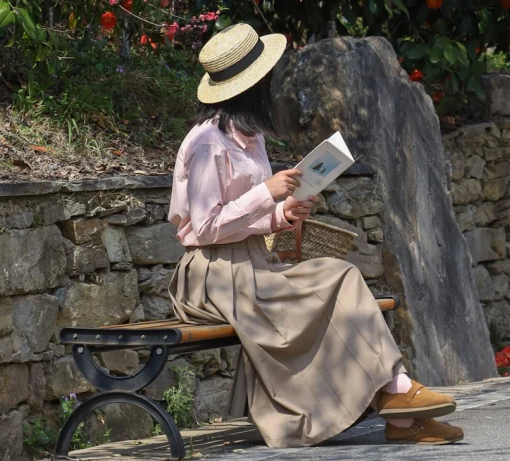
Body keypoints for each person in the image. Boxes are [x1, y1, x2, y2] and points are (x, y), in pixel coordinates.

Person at [167, 22, 464, 446]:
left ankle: (399, 404)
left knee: (339, 276)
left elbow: (248, 219)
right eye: (265, 81)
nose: (271, 87)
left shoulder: (249, 138)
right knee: (330, 285)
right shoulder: (206, 143)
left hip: (251, 263)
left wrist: (283, 212)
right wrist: (265, 194)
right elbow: (203, 228)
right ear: (249, 87)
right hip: (214, 274)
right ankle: (397, 399)